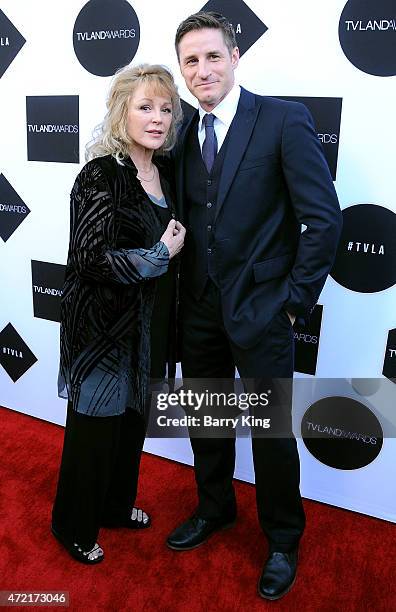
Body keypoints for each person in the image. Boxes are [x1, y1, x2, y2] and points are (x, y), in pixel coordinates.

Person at [166, 12, 342, 600]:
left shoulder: (283, 119)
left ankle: (283, 539)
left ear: (235, 57)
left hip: (266, 310)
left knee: (270, 434)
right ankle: (215, 509)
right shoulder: (182, 132)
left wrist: (293, 304)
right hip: (198, 308)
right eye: (191, 60)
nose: (203, 69)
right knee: (207, 422)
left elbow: (324, 220)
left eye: (212, 56)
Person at [52, 63, 185, 564]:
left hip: (150, 330)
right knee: (93, 432)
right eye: (144, 106)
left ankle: (114, 506)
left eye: (166, 109)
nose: (157, 118)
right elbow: (90, 257)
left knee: (131, 428)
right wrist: (158, 257)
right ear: (120, 111)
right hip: (103, 332)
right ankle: (72, 525)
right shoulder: (100, 173)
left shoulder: (167, 174)